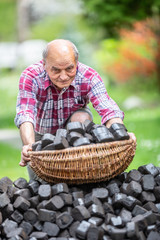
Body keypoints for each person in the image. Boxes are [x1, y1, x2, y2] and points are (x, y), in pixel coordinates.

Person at [15, 39, 136, 181]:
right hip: (41, 133)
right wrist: (29, 145)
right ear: (44, 64)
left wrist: (121, 133)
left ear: (77, 62)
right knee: (40, 184)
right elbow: (25, 113)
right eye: (55, 70)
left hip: (75, 133)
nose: (63, 76)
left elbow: (108, 109)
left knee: (81, 118)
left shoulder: (89, 76)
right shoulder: (31, 76)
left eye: (69, 69)